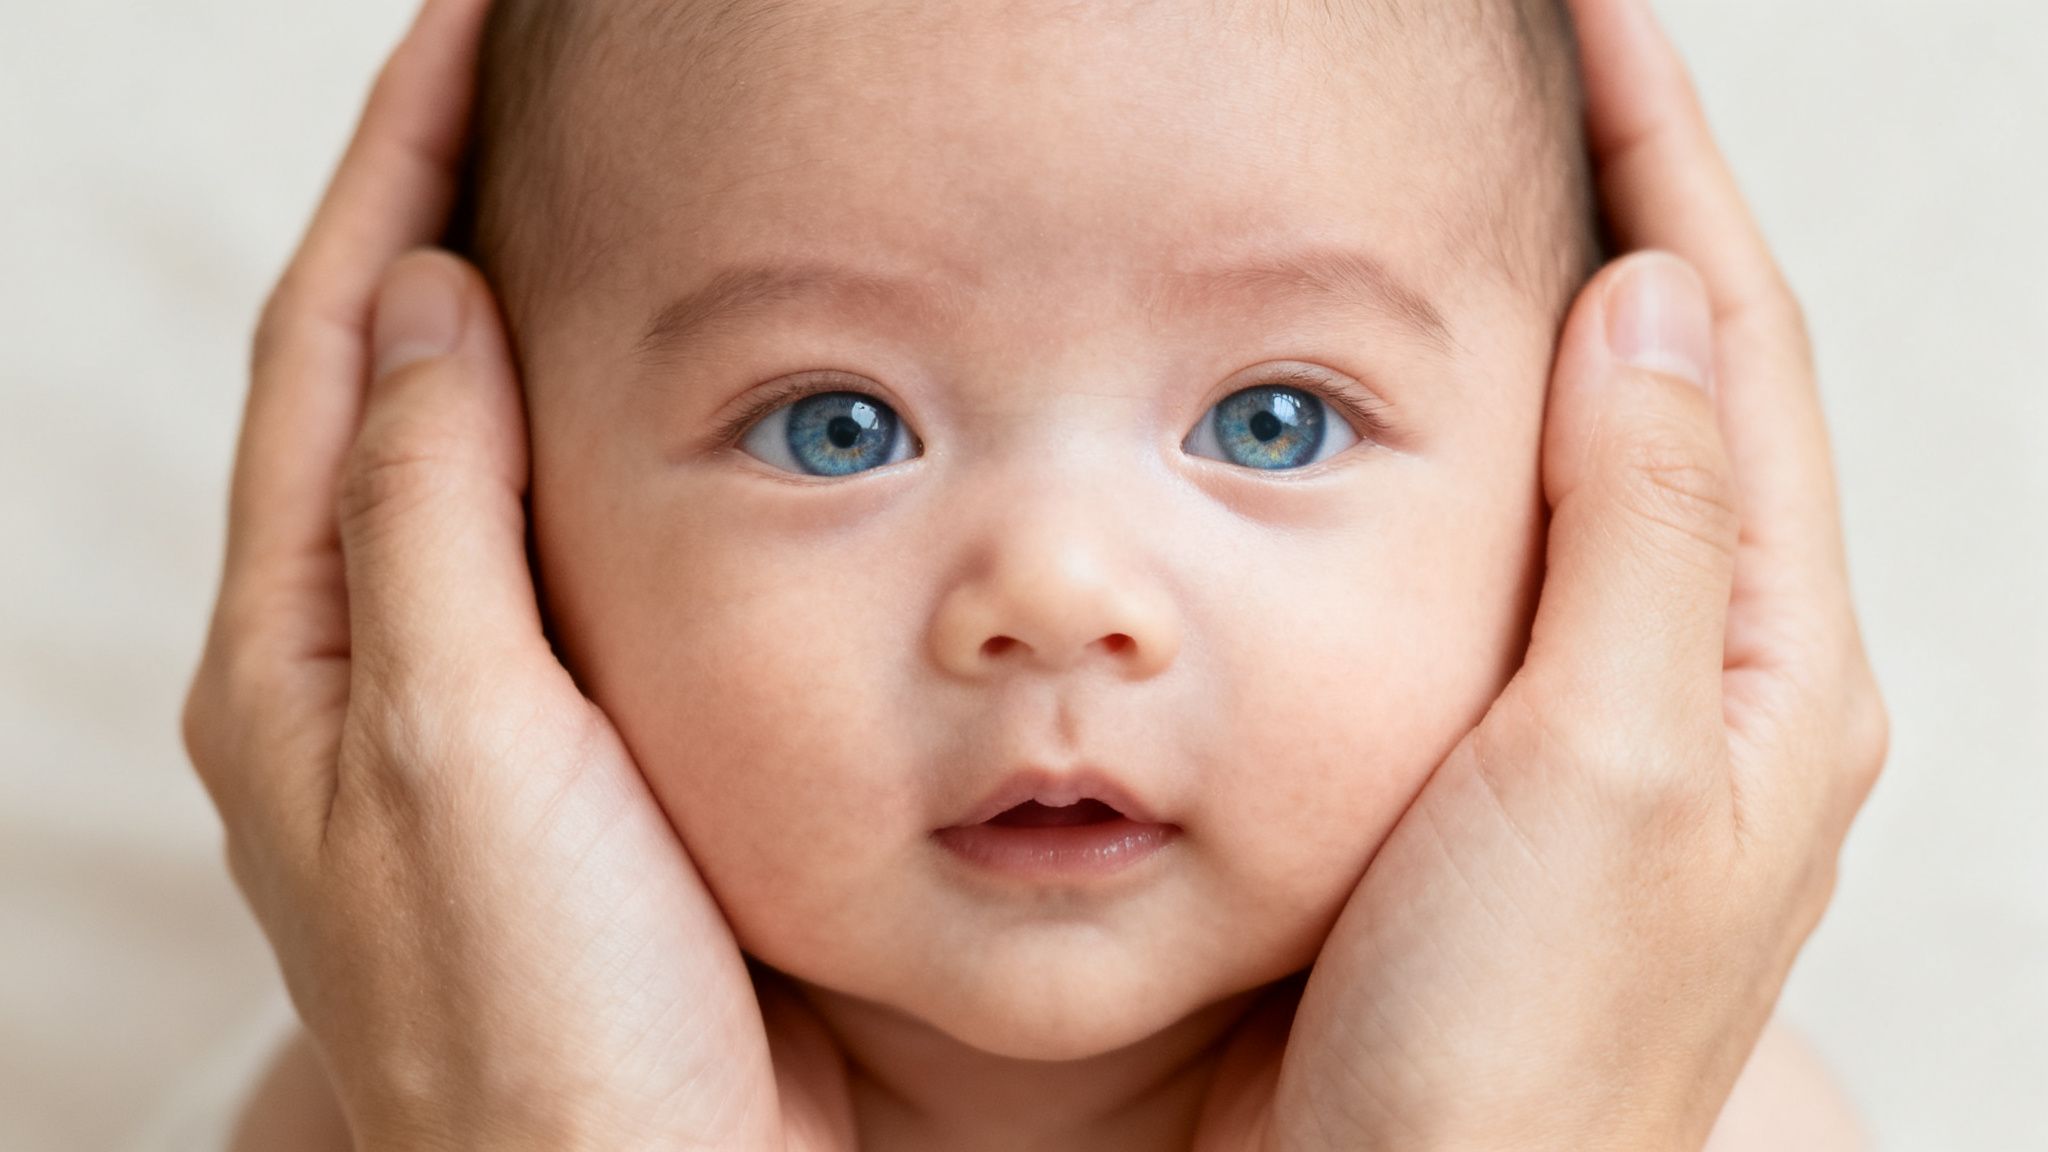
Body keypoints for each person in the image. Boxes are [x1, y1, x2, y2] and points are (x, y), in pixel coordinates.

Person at [180, 0, 1889, 1147]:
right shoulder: (416, 1093)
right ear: (503, 527)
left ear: (1577, 504)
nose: (1061, 594)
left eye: (1276, 421)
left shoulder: (1675, 1111)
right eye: (835, 428)